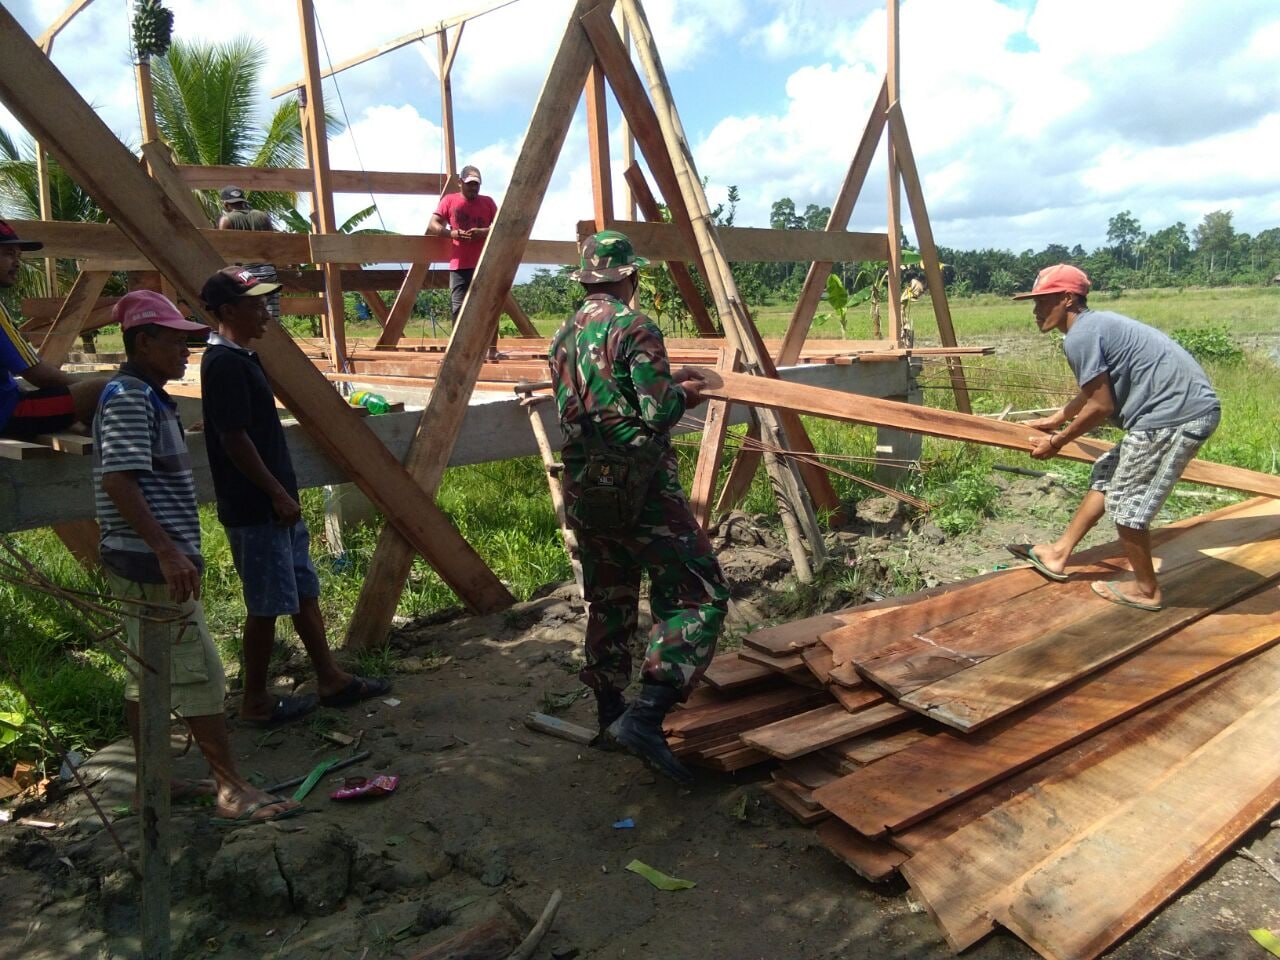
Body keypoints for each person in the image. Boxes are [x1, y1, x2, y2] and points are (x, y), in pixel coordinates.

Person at [93, 289, 300, 824]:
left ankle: (151, 782)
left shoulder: (146, 396)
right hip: (149, 562)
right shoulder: (130, 397)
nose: (187, 351)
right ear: (144, 341)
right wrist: (166, 550)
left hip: (144, 558)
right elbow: (118, 480)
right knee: (201, 673)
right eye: (176, 341)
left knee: (148, 673)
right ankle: (230, 788)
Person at [547, 230, 730, 786]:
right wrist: (688, 393)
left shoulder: (562, 335)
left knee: (611, 594)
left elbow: (604, 392)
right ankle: (647, 717)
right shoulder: (636, 326)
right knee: (701, 592)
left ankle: (609, 714)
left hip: (586, 483)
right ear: (630, 277)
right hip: (640, 483)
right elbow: (653, 411)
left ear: (586, 280)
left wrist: (662, 377)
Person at [199, 266, 389, 726]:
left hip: (276, 502)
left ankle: (330, 677)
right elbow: (234, 438)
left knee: (303, 591)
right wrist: (276, 492)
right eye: (255, 304)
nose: (266, 312)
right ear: (228, 311)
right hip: (257, 506)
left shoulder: (243, 357)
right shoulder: (223, 363)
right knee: (265, 605)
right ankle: (255, 701)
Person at [1014, 264, 1220, 611]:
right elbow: (1096, 387)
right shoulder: (1092, 327)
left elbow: (1101, 406)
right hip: (1164, 415)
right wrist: (1058, 418)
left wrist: (1057, 442)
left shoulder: (1080, 336)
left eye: (1042, 302)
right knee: (1106, 474)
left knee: (1128, 508)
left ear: (1067, 299)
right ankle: (1058, 553)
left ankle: (1147, 590)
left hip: (1175, 417)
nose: (1035, 311)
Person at [0, 219, 105, 438]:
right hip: (9, 415)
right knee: (107, 390)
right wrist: (87, 399)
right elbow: (37, 374)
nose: (17, 263)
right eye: (9, 253)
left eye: (18, 256)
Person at [429, 165, 497, 322]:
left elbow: (502, 226)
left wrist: (483, 232)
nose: (473, 188)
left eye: (476, 184)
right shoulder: (449, 201)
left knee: (488, 309)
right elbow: (433, 225)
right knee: (458, 310)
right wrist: (452, 234)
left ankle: (491, 348)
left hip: (485, 263)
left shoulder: (488, 202)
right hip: (460, 265)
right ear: (460, 182)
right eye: (469, 183)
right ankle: (459, 347)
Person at [216, 185, 281, 323]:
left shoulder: (226, 220)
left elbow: (224, 251)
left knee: (248, 320)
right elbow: (273, 244)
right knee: (271, 319)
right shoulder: (263, 216)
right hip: (269, 273)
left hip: (245, 276)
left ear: (226, 204)